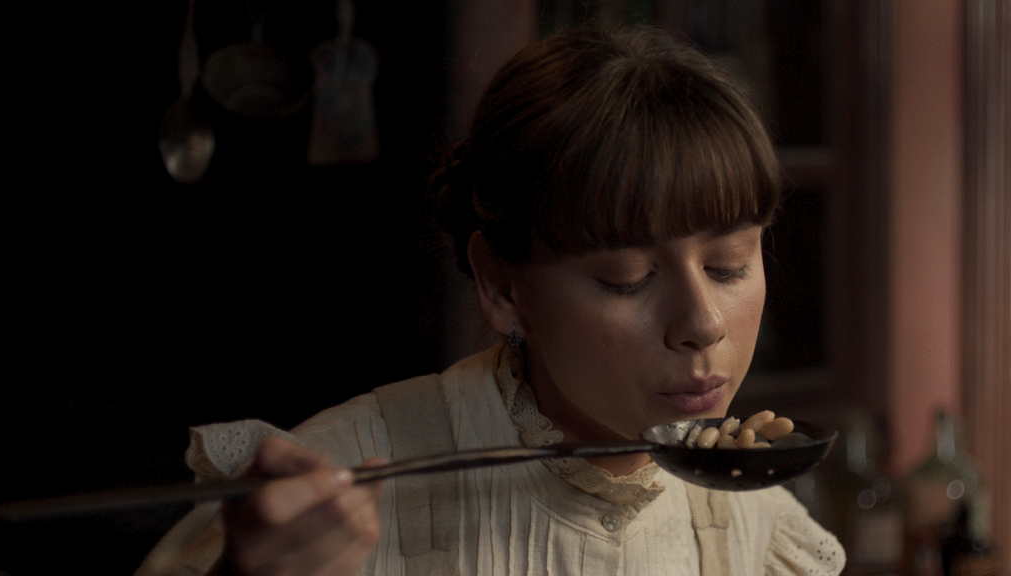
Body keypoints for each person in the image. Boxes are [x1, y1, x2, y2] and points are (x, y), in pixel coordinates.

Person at [136, 25, 845, 576]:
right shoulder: (322, 497)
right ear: (503, 288)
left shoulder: (754, 528)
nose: (703, 324)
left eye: (727, 266)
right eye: (628, 278)